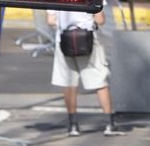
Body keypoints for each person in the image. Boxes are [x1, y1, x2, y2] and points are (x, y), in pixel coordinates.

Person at [47, 8, 127, 137]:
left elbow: (50, 20)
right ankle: (110, 123)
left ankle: (73, 125)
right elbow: (100, 20)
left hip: (64, 40)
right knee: (99, 81)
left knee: (69, 83)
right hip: (87, 40)